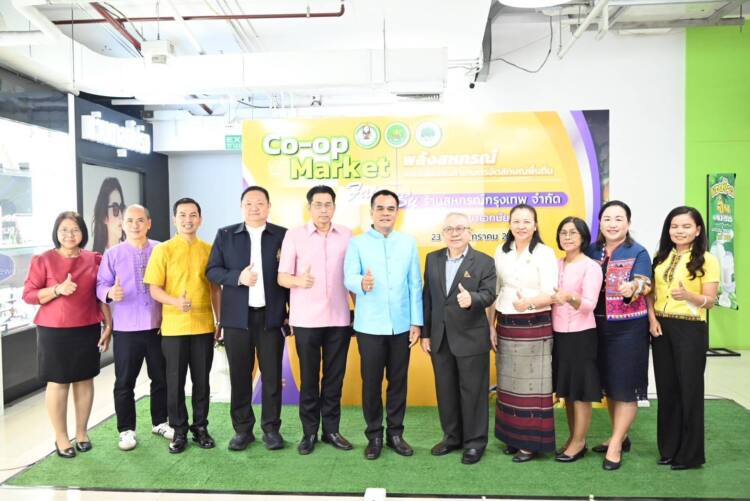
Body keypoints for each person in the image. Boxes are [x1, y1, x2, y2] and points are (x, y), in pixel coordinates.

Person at [205, 186, 289, 452]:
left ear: (268, 206)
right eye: (249, 203)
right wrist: (237, 277)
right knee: (240, 376)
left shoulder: (282, 235)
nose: (255, 208)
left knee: (272, 377)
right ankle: (242, 430)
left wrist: (290, 313)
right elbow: (212, 270)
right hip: (236, 320)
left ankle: (271, 429)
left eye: (260, 203)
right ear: (242, 207)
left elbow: (289, 276)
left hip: (271, 318)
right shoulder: (226, 234)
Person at [22, 211, 112, 458]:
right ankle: (61, 437)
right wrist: (57, 289)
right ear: (56, 233)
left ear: (83, 232)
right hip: (54, 331)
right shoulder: (43, 260)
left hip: (87, 327)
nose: (69, 234)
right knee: (58, 382)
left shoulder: (94, 259)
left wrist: (108, 325)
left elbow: (101, 295)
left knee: (85, 380)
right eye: (64, 230)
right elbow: (29, 295)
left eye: (75, 229)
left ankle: (82, 433)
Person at [344, 189, 423, 460]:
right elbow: (348, 277)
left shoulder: (408, 243)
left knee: (398, 381)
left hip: (401, 326)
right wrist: (361, 283)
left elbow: (415, 284)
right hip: (369, 326)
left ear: (397, 213)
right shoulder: (357, 243)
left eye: (391, 208)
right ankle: (374, 435)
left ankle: (396, 434)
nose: (385, 213)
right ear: (372, 212)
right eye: (380, 208)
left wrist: (416, 322)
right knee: (372, 383)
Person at [277, 186, 354, 455]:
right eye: (318, 204)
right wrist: (300, 281)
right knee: (309, 379)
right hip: (306, 320)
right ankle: (309, 433)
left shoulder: (347, 235)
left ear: (334, 207)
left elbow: (352, 275)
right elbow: (282, 277)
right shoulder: (294, 235)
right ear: (309, 207)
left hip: (339, 318)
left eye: (328, 204)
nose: (323, 209)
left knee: (334, 378)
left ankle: (331, 430)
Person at [144, 197, 220, 454]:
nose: (188, 220)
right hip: (174, 328)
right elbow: (154, 289)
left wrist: (219, 320)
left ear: (200, 219)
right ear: (174, 220)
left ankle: (200, 428)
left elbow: (215, 289)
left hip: (203, 326)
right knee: (174, 382)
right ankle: (179, 431)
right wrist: (175, 301)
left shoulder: (209, 250)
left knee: (202, 381)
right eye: (183, 215)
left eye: (193, 215)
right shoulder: (163, 250)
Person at [421, 212, 496, 465]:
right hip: (440, 338)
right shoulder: (432, 259)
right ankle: (451, 437)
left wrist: (472, 299)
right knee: (446, 391)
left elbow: (489, 294)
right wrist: (426, 333)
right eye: (449, 229)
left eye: (460, 228)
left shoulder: (484, 261)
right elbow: (428, 298)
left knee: (473, 393)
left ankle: (474, 443)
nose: (454, 233)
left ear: (469, 232)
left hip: (471, 338)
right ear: (443, 233)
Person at [96, 204, 173, 451]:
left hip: (159, 327)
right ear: (123, 225)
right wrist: (110, 292)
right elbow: (100, 285)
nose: (135, 225)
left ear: (149, 223)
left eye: (140, 220)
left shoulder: (162, 249)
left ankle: (160, 422)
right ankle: (126, 430)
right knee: (124, 382)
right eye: (129, 220)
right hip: (126, 329)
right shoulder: (113, 254)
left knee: (161, 378)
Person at [648, 206, 719, 470]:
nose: (679, 231)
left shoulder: (707, 260)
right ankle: (668, 449)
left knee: (689, 390)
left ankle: (690, 455)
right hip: (661, 327)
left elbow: (710, 301)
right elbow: (651, 294)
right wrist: (652, 320)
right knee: (667, 390)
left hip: (690, 328)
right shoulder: (660, 257)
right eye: (674, 226)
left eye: (686, 226)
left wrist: (689, 296)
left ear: (698, 230)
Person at [587, 200, 652, 471]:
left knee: (626, 387)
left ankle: (615, 445)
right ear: (600, 223)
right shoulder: (592, 250)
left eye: (618, 219)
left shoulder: (638, 251)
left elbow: (645, 283)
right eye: (607, 219)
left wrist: (633, 287)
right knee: (611, 385)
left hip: (628, 329)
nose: (612, 224)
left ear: (628, 223)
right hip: (595, 327)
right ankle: (620, 436)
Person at [490, 203, 557, 463]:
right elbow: (495, 291)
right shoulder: (501, 250)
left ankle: (530, 444)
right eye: (516, 221)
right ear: (509, 224)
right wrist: (491, 327)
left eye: (527, 221)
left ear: (535, 225)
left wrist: (528, 304)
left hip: (534, 324)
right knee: (508, 384)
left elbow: (551, 293)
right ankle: (512, 438)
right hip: (506, 324)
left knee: (532, 388)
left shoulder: (545, 253)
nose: (521, 226)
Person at [550, 217, 603, 463]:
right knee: (568, 392)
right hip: (558, 334)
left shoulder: (591, 266)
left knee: (580, 392)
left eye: (573, 232)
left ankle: (580, 442)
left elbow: (590, 305)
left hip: (581, 335)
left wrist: (570, 297)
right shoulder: (555, 264)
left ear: (583, 237)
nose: (567, 237)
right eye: (563, 232)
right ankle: (573, 438)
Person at [91, 177, 126, 254]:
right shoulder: (95, 257)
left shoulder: (131, 251)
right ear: (104, 217)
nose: (121, 216)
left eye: (121, 207)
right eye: (115, 208)